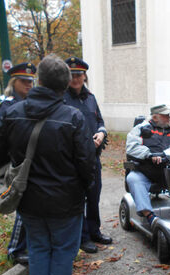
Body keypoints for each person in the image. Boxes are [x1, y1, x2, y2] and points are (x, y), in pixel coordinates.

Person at [0, 54, 96, 275]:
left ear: (39, 81)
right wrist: (84, 187)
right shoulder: (73, 117)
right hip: (66, 201)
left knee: (37, 249)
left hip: (28, 199)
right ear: (64, 85)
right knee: (62, 251)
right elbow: (86, 162)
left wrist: (15, 167)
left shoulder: (13, 113)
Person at [64, 57, 111, 254]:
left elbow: (99, 120)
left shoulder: (90, 97)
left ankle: (94, 231)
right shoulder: (62, 99)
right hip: (73, 160)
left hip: (93, 157)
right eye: (72, 75)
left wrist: (102, 132)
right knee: (78, 199)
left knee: (93, 196)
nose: (76, 79)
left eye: (79, 75)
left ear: (84, 76)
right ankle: (82, 237)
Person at [0, 62, 37, 265]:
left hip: (30, 159)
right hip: (18, 161)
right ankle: (15, 249)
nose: (28, 85)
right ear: (14, 82)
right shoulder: (8, 104)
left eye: (31, 81)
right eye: (24, 81)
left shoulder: (31, 102)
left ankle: (25, 245)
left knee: (29, 206)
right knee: (22, 205)